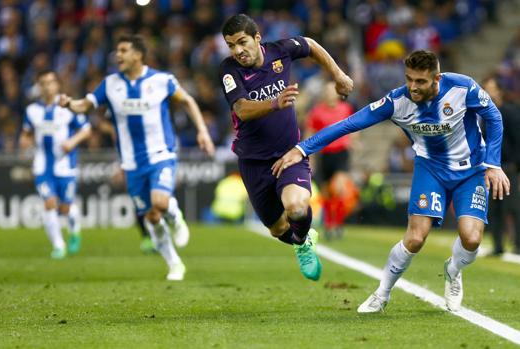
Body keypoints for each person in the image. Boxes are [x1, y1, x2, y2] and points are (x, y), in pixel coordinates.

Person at [272, 50, 510, 312]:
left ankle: (453, 270)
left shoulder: (463, 88)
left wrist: (493, 164)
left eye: (420, 81)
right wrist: (303, 148)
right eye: (409, 79)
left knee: (472, 238)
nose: (413, 87)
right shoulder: (397, 101)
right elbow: (348, 124)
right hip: (430, 169)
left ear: (437, 78)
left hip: (472, 169)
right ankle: (381, 293)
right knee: (416, 238)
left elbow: (494, 117)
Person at [59, 35, 215, 281]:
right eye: (117, 50)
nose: (117, 55)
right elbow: (86, 106)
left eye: (123, 50)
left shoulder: (162, 80)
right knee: (151, 217)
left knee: (160, 203)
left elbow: (188, 100)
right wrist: (69, 104)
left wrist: (202, 131)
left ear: (138, 55)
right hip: (131, 164)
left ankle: (174, 215)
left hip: (161, 154)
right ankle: (174, 264)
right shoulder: (110, 84)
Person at [218, 14, 353, 281]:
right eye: (231, 45)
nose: (237, 51)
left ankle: (302, 242)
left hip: (289, 153)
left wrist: (338, 75)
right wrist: (274, 103)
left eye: (242, 42)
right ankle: (303, 241)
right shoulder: (228, 70)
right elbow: (242, 109)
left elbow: (311, 44)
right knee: (278, 228)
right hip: (253, 161)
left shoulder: (281, 51)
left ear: (257, 38)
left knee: (297, 208)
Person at [19, 70, 91, 259]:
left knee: (65, 208)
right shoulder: (32, 111)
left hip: (65, 165)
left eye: (51, 82)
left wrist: (72, 142)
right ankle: (58, 245)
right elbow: (26, 132)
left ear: (57, 85)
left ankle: (74, 230)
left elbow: (86, 130)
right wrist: (24, 141)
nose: (47, 86)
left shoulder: (67, 106)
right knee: (49, 203)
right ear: (39, 86)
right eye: (43, 83)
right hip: (42, 166)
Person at [305, 81, 356, 240]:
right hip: (324, 154)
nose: (329, 94)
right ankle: (329, 224)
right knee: (326, 193)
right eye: (326, 91)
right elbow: (310, 133)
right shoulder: (316, 111)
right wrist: (310, 157)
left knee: (339, 188)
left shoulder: (345, 109)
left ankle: (338, 223)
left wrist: (354, 140)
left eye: (332, 91)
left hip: (341, 153)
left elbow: (355, 126)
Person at [482, 77, 520, 255]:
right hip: (491, 168)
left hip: (508, 167)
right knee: (495, 208)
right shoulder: (484, 116)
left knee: (513, 207)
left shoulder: (510, 112)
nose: (488, 92)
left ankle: (518, 245)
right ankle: (498, 246)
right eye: (486, 88)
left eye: (491, 88)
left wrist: (515, 165)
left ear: (500, 91)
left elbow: (518, 139)